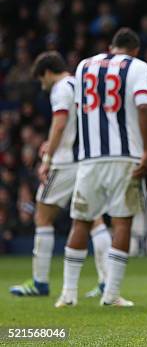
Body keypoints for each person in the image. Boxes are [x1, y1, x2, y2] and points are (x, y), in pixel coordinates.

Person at [55, 28, 147, 308]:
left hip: (90, 157)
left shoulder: (84, 66)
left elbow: (79, 110)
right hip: (126, 156)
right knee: (122, 221)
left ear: (112, 47)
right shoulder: (138, 67)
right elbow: (144, 106)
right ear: (135, 50)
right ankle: (111, 295)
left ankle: (68, 294)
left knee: (81, 221)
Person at [9, 52, 111, 298]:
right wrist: (51, 143)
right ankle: (107, 282)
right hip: (86, 159)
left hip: (65, 163)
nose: (42, 85)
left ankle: (40, 282)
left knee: (42, 216)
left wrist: (48, 158)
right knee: (94, 218)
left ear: (46, 72)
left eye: (41, 79)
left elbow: (60, 122)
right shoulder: (79, 83)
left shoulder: (60, 88)